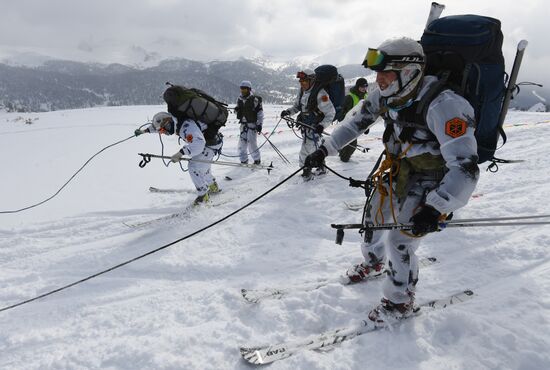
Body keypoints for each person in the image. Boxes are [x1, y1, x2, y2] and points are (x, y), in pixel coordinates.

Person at [305, 37, 480, 324]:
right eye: (377, 74)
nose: (379, 80)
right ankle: (374, 263)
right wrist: (325, 149)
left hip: (433, 177)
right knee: (373, 218)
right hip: (398, 169)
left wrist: (436, 207)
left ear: (408, 71)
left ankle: (399, 302)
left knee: (400, 240)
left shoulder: (445, 105)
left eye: (385, 73)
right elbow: (355, 122)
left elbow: (465, 166)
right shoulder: (386, 94)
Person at [134, 112, 222, 205]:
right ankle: (213, 186)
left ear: (169, 121)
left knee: (194, 167)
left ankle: (203, 196)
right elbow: (159, 126)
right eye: (162, 131)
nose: (165, 132)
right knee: (203, 167)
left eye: (165, 129)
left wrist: (181, 153)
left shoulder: (186, 127)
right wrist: (145, 131)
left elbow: (199, 144)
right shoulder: (176, 121)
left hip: (210, 145)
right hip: (212, 141)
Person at [280, 69, 336, 180]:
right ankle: (321, 166)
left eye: (304, 81)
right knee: (315, 148)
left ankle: (306, 170)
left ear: (312, 80)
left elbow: (331, 113)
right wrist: (288, 112)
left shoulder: (321, 93)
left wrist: (322, 126)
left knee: (306, 149)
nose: (302, 83)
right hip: (306, 125)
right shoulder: (302, 91)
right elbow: (297, 106)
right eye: (300, 81)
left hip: (314, 127)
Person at [337, 77, 369, 162]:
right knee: (352, 144)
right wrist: (343, 120)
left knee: (348, 142)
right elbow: (342, 110)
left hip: (358, 124)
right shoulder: (350, 97)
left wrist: (367, 125)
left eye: (366, 86)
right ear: (358, 86)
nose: (364, 88)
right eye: (362, 86)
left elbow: (367, 112)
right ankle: (344, 160)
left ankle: (341, 152)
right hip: (348, 124)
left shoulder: (366, 96)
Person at [234, 80, 264, 165]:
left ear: (249, 89)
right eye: (241, 88)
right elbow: (238, 110)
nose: (242, 90)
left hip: (252, 125)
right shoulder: (239, 99)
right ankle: (243, 160)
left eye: (245, 89)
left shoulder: (255, 100)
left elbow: (260, 113)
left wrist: (259, 124)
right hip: (243, 125)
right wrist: (236, 110)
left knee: (252, 145)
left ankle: (257, 160)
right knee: (241, 145)